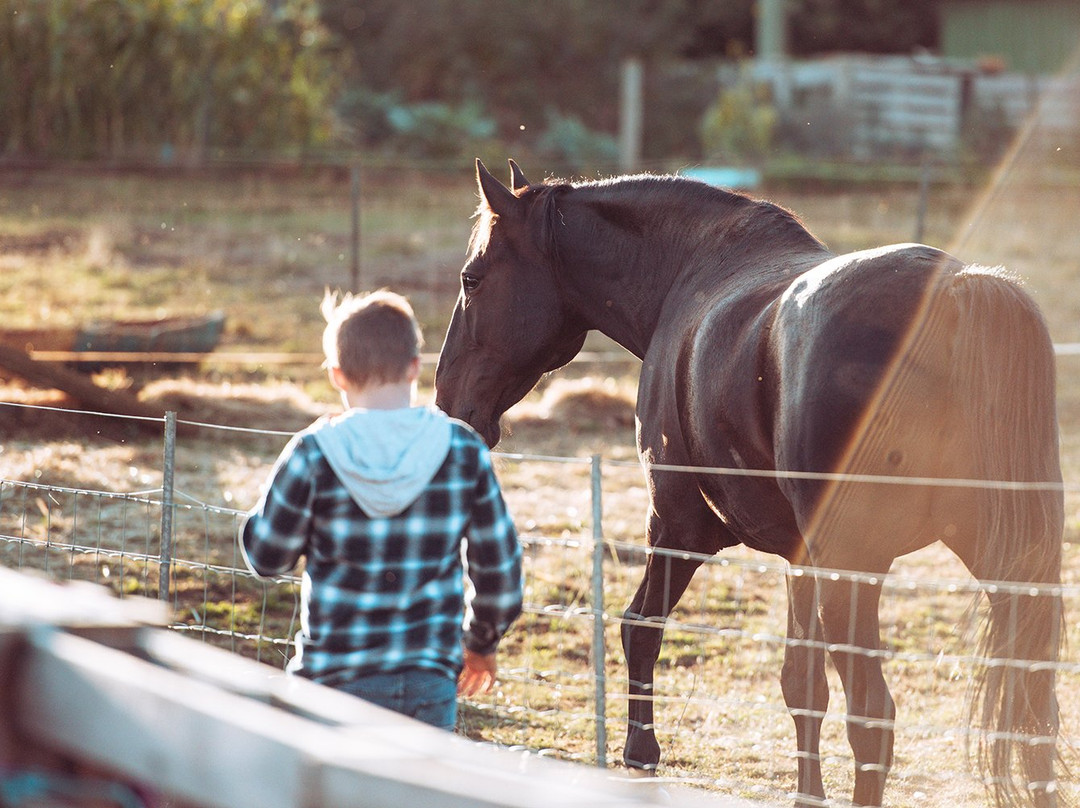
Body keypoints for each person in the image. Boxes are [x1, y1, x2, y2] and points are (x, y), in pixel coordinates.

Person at [239, 289, 523, 731]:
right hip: (427, 683)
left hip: (332, 683)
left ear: (337, 375)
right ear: (415, 366)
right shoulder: (463, 450)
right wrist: (481, 642)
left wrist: (265, 502)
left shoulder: (313, 454)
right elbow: (500, 571)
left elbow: (266, 558)